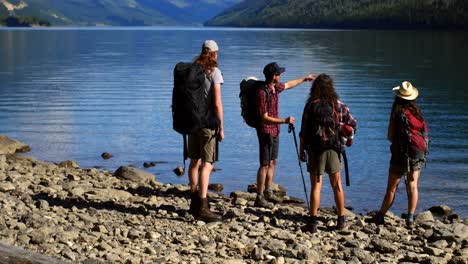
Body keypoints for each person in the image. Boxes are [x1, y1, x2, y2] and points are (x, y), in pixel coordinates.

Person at [299, 74, 357, 233]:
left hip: (316, 149)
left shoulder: (310, 106)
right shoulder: (339, 105)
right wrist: (346, 138)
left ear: (314, 88)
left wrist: (301, 150)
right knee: (337, 185)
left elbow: (303, 131)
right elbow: (353, 124)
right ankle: (341, 220)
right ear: (331, 87)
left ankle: (313, 222)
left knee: (316, 186)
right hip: (333, 149)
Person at [254, 62, 316, 208]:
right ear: (273, 76)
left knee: (273, 161)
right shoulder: (262, 92)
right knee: (264, 164)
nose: (281, 75)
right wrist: (284, 121)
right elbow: (264, 117)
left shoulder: (276, 87)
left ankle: (268, 190)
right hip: (265, 131)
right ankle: (259, 196)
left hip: (275, 131)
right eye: (279, 73)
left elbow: (288, 84)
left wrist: (304, 78)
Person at [374, 81, 429, 228]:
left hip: (400, 154)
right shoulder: (417, 113)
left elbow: (390, 136)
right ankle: (410, 218)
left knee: (392, 188)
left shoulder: (397, 114)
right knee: (412, 185)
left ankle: (380, 216)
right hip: (417, 152)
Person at [188, 40, 224, 222]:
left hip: (191, 123)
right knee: (207, 164)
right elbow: (217, 102)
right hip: (207, 124)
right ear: (215, 54)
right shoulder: (214, 72)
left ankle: (194, 199)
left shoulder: (193, 69)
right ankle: (202, 205)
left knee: (194, 161)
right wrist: (222, 127)